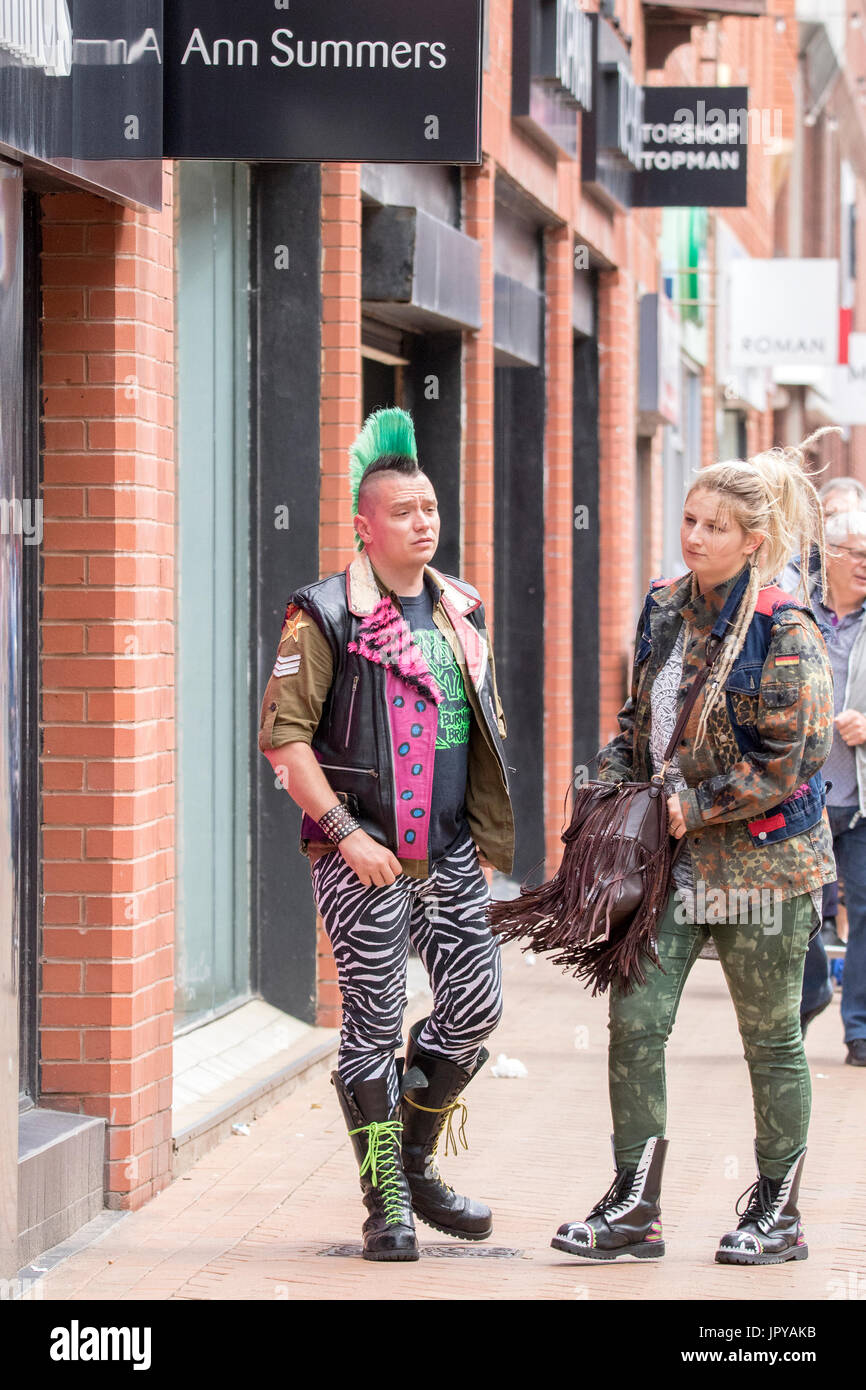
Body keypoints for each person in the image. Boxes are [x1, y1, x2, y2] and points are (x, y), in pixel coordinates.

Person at [552, 437, 836, 1266]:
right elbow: (639, 726)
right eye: (688, 519)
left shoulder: (785, 625)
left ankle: (777, 1214)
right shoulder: (664, 610)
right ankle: (635, 1206)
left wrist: (694, 803)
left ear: (753, 539)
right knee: (634, 1020)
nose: (695, 536)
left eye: (715, 526)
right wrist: (608, 796)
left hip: (764, 870)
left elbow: (793, 759)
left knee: (771, 1038)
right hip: (670, 869)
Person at [258, 407, 514, 1261]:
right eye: (403, 512)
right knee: (373, 1022)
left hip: (447, 857)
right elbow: (284, 739)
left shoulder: (460, 611)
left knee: (475, 1009)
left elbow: (478, 730)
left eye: (430, 508)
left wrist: (478, 830)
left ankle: (409, 1157)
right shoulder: (323, 614)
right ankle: (387, 1202)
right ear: (364, 526)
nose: (423, 523)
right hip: (363, 854)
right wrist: (344, 833)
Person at [788, 509, 866, 1065]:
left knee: (863, 912)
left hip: (860, 802)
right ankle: (812, 988)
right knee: (799, 913)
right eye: (858, 553)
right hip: (799, 796)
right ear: (830, 555)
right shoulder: (795, 609)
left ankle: (859, 1029)